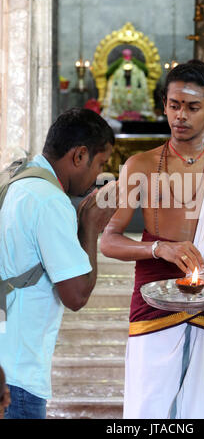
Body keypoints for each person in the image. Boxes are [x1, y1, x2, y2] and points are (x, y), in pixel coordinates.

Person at [100, 60, 204, 419]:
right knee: (147, 409)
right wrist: (159, 248)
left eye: (192, 107)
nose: (180, 116)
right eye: (173, 105)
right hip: (153, 304)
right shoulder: (140, 165)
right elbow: (109, 240)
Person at [0, 107, 118, 419]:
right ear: (80, 155)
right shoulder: (50, 200)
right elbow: (76, 295)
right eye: (100, 164)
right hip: (18, 375)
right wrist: (91, 226)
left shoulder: (16, 180)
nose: (97, 177)